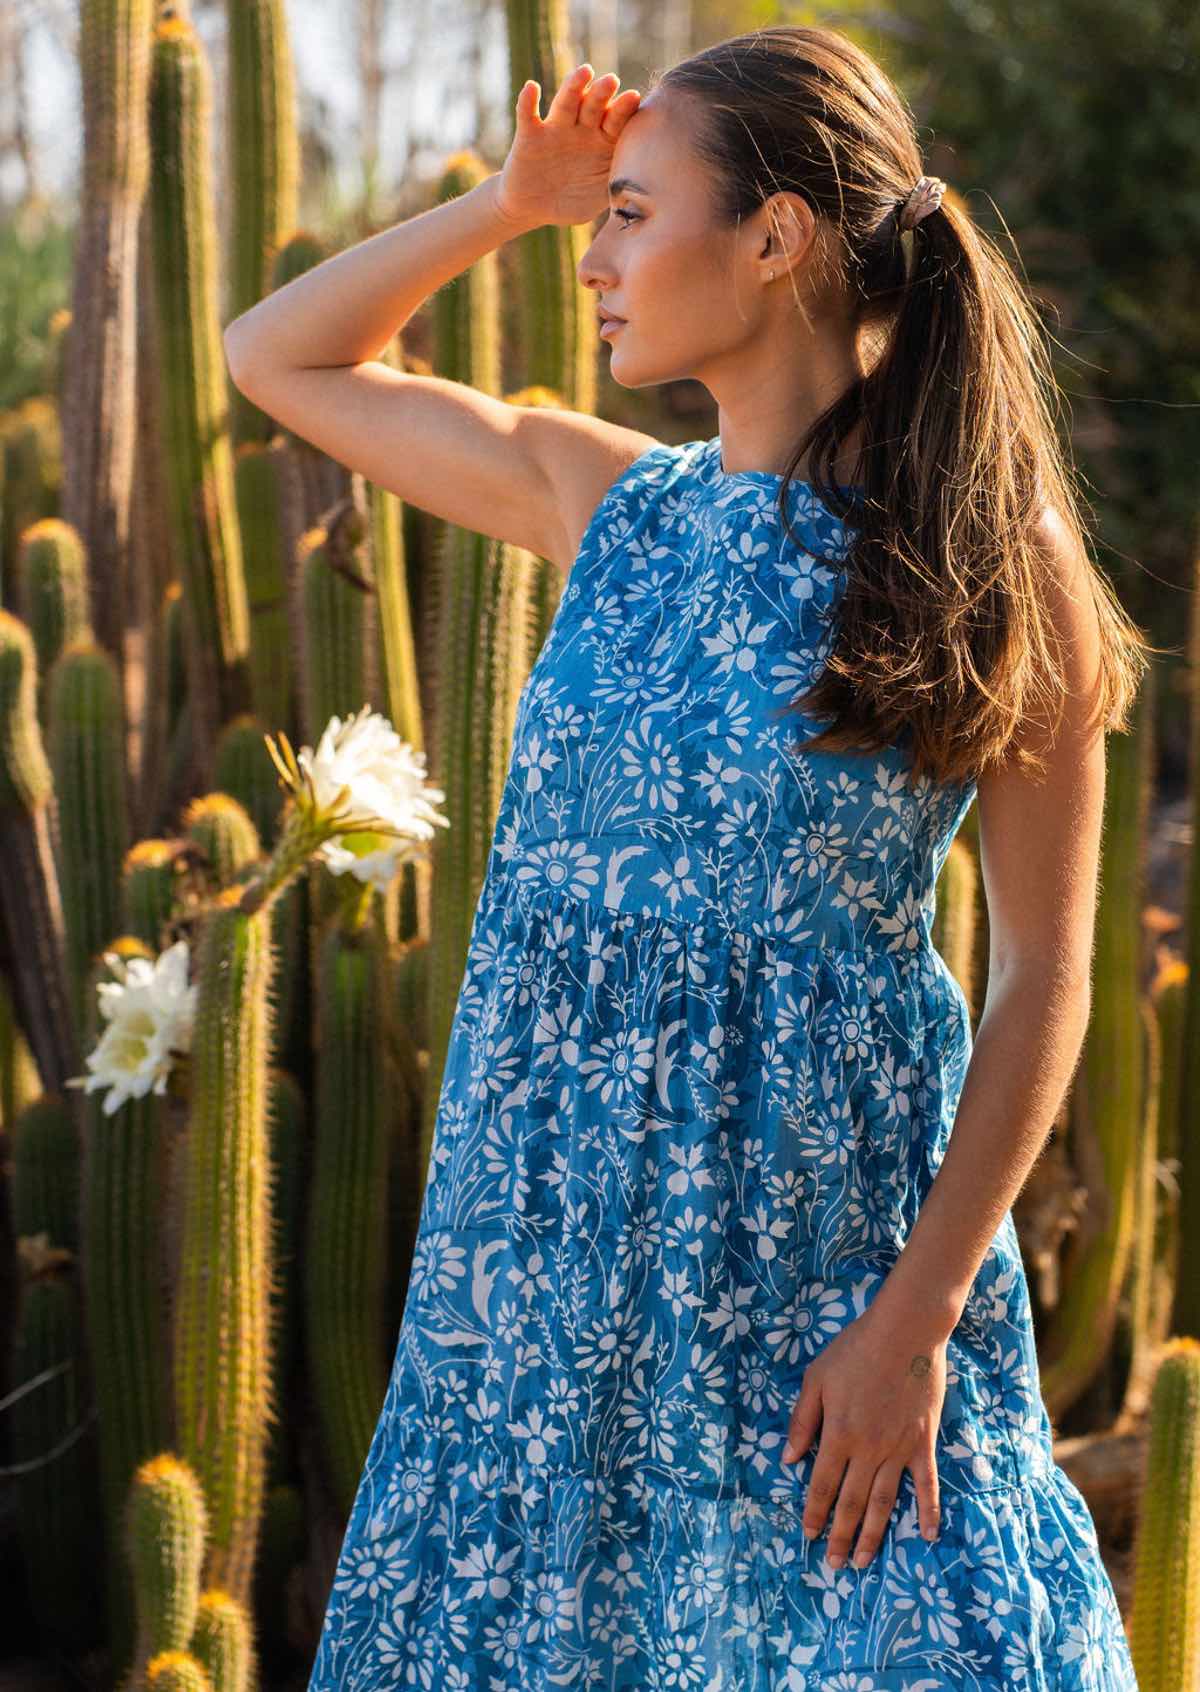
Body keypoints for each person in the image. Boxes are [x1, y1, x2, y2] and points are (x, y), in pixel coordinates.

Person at [225, 24, 1151, 1687]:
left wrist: (915, 1323)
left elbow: (1045, 981)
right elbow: (279, 359)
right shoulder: (610, 505)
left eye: (633, 214)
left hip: (820, 1271)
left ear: (779, 235)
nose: (597, 258)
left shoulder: (992, 566)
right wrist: (510, 203)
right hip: (546, 1259)